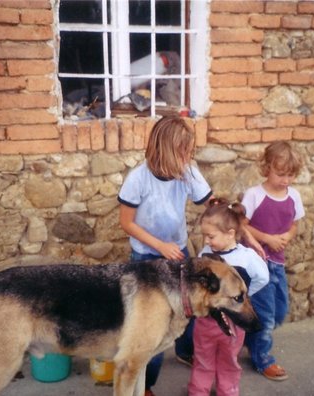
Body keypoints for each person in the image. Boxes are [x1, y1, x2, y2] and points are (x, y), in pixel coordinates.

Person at [117, 115, 213, 396]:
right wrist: (159, 246)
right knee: (153, 327)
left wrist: (226, 211)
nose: (189, 157)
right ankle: (145, 384)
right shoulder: (138, 178)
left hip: (178, 251)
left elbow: (209, 203)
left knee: (189, 310)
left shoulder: (187, 171)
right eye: (184, 151)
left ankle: (185, 351)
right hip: (147, 257)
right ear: (167, 150)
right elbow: (127, 223)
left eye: (189, 151)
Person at [188, 198, 269, 396]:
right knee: (202, 359)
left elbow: (263, 277)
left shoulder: (247, 258)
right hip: (206, 322)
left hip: (234, 324)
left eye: (211, 236)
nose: (206, 241)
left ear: (230, 234)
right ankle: (199, 391)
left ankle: (228, 390)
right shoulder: (206, 253)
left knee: (230, 360)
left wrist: (243, 296)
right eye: (205, 236)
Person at [241, 140, 305, 381]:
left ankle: (249, 338)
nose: (285, 180)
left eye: (290, 175)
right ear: (266, 167)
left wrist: (286, 237)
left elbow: (294, 225)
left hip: (278, 262)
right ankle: (263, 358)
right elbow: (242, 226)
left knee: (279, 312)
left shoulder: (294, 196)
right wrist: (267, 238)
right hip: (258, 264)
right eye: (280, 174)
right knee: (266, 315)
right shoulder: (254, 195)